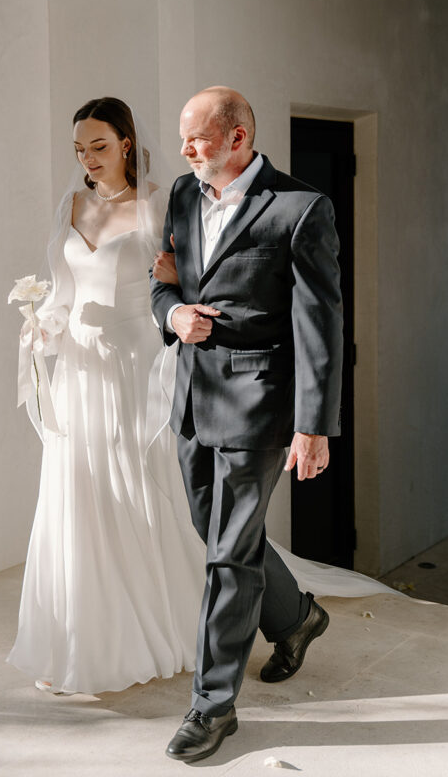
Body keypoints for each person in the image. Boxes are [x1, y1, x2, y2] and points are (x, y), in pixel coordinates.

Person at [151, 86, 344, 763]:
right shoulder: (182, 192)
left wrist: (312, 424)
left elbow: (318, 320)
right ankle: (296, 619)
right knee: (215, 533)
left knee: (228, 556)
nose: (184, 150)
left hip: (260, 402)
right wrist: (171, 316)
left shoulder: (299, 208)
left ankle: (212, 707)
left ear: (237, 137)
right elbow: (164, 275)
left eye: (196, 138)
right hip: (191, 395)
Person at [7, 97, 205, 695]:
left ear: (125, 142)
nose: (88, 159)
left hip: (132, 364)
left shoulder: (158, 205)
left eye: (98, 145)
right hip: (77, 367)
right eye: (78, 150)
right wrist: (43, 324)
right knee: (77, 493)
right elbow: (62, 293)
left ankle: (164, 626)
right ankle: (79, 639)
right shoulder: (71, 205)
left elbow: (179, 280)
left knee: (135, 488)